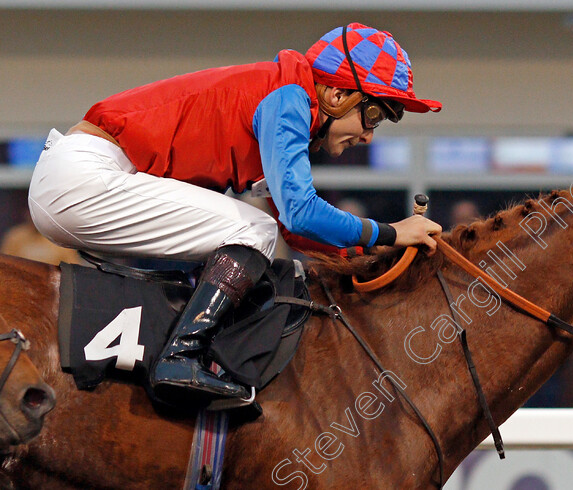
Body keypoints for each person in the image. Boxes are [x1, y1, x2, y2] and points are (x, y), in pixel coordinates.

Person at [27, 23, 443, 404]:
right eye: (372, 115)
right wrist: (388, 233)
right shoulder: (290, 99)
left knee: (255, 230)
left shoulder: (282, 98)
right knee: (252, 228)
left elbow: (294, 231)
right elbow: (298, 214)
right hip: (84, 178)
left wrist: (364, 259)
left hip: (81, 178)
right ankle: (181, 354)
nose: (369, 135)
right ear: (336, 95)